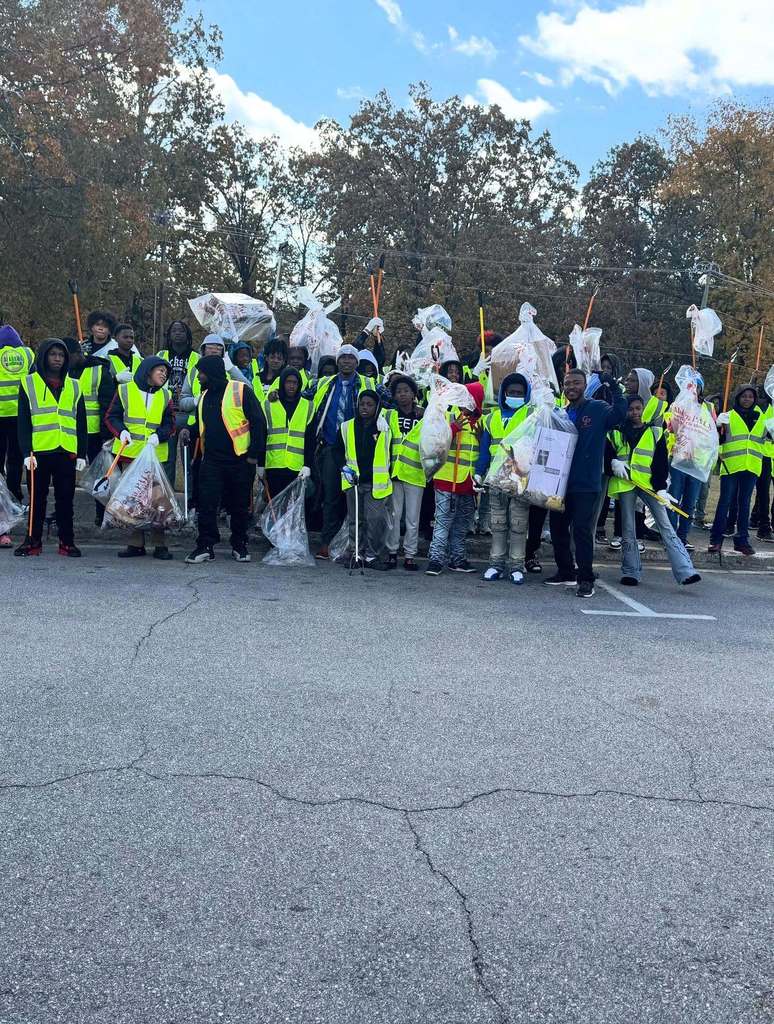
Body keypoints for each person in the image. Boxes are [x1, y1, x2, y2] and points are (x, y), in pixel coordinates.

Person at [545, 367, 626, 598]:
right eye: (568, 383)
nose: (572, 387)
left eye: (577, 383)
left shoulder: (597, 409)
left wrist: (612, 384)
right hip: (560, 483)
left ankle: (585, 579)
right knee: (558, 529)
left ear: (585, 385)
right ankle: (565, 571)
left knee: (581, 531)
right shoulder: (561, 412)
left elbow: (619, 413)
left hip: (586, 483)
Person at [180, 356, 266, 564]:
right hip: (211, 460)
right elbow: (204, 423)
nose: (199, 377)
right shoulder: (205, 396)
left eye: (201, 373)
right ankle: (205, 546)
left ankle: (239, 544)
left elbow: (259, 423)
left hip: (241, 459)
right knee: (207, 504)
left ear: (212, 372)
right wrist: (188, 430)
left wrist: (254, 456)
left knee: (239, 505)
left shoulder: (240, 390)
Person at [607, 395, 700, 586]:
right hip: (626, 485)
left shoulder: (655, 432)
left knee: (665, 526)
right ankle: (631, 572)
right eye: (631, 409)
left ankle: (686, 571)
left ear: (643, 409)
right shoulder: (615, 432)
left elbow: (659, 464)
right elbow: (607, 453)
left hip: (649, 486)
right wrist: (613, 462)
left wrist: (661, 489)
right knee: (628, 528)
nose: (634, 412)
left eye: (638, 408)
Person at [15, 338, 87, 557]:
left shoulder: (75, 385)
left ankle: (67, 542)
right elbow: (24, 421)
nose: (57, 359)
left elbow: (80, 421)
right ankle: (32, 541)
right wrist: (26, 451)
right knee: (37, 499)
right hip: (39, 452)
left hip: (66, 451)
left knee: (66, 500)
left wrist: (82, 453)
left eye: (61, 355)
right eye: (53, 354)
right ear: (44, 356)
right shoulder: (29, 383)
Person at [104, 355, 175, 559]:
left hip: (155, 457)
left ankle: (160, 545)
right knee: (132, 502)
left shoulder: (165, 395)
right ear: (147, 371)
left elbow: (170, 424)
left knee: (158, 503)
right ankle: (135, 544)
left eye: (166, 372)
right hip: (130, 455)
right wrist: (121, 432)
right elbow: (111, 416)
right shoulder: (125, 390)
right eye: (160, 370)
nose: (164, 374)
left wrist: (158, 436)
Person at [311, 344, 370, 559]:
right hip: (330, 448)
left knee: (355, 497)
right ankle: (326, 542)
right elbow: (302, 396)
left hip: (357, 450)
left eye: (351, 358)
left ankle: (354, 545)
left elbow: (389, 401)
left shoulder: (367, 383)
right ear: (337, 361)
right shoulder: (325, 384)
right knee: (331, 496)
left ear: (357, 362)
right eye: (343, 358)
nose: (346, 361)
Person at [473, 373, 532, 584]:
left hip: (520, 479)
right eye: (511, 392)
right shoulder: (491, 418)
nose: (515, 395)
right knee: (497, 523)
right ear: (504, 394)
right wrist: (479, 473)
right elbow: (484, 451)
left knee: (518, 524)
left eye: (519, 393)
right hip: (496, 478)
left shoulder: (532, 415)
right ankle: (495, 564)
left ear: (526, 395)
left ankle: (517, 566)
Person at [425, 381, 483, 576]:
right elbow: (434, 441)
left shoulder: (481, 423)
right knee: (442, 522)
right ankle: (435, 559)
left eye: (472, 400)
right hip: (446, 479)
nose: (468, 404)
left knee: (462, 524)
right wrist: (452, 428)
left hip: (469, 483)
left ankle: (457, 559)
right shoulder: (449, 415)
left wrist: (482, 437)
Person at [708, 385, 771, 556]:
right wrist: (719, 427)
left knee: (744, 504)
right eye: (744, 396)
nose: (747, 399)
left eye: (751, 397)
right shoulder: (727, 416)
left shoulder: (763, 419)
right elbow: (717, 440)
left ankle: (742, 541)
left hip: (751, 467)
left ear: (755, 399)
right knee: (725, 502)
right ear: (738, 398)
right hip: (731, 466)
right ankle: (716, 540)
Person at [335, 388, 392, 569]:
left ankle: (371, 555)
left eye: (370, 404)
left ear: (377, 407)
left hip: (376, 482)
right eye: (362, 404)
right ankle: (356, 553)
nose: (365, 408)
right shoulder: (346, 426)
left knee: (375, 520)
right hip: (353, 481)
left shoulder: (384, 426)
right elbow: (336, 451)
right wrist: (343, 467)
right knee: (355, 520)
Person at [666, 372, 714, 551]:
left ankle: (683, 535)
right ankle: (670, 536)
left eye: (697, 386)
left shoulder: (708, 407)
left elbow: (711, 432)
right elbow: (671, 428)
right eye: (690, 386)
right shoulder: (677, 405)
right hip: (679, 458)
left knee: (690, 501)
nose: (694, 389)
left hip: (697, 460)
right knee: (673, 498)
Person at [66, 338, 112, 525]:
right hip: (68, 433)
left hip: (95, 434)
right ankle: (64, 513)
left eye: (66, 356)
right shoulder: (63, 371)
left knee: (99, 475)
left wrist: (106, 435)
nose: (62, 360)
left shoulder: (99, 369)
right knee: (66, 476)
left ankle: (102, 513)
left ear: (78, 354)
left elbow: (107, 404)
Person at [385, 374, 424, 570]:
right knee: (394, 515)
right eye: (398, 391)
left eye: (406, 391)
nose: (402, 395)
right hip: (394, 473)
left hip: (416, 474)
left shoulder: (423, 415)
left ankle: (410, 555)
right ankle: (392, 552)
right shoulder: (389, 415)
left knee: (412, 518)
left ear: (414, 394)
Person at [263, 367, 315, 498]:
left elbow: (310, 439)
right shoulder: (268, 404)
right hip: (273, 464)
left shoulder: (308, 406)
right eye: (288, 382)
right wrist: (260, 463)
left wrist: (308, 465)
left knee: (293, 507)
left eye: (295, 382)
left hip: (297, 467)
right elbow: (262, 435)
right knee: (274, 504)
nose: (291, 386)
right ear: (282, 383)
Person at [157, 320, 197, 484]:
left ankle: (191, 501)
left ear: (188, 335)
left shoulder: (196, 357)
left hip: (189, 413)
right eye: (174, 330)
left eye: (182, 330)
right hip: (167, 412)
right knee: (167, 459)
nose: (178, 333)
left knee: (189, 460)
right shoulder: (161, 355)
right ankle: (166, 501)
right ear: (169, 335)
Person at [0, 324, 35, 515]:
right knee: (15, 460)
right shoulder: (27, 355)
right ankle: (15, 498)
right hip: (19, 417)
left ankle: (2, 503)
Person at [252, 338, 288, 403]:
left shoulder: (286, 379)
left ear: (283, 361)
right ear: (266, 357)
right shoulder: (257, 377)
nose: (275, 361)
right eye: (272, 357)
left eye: (279, 358)